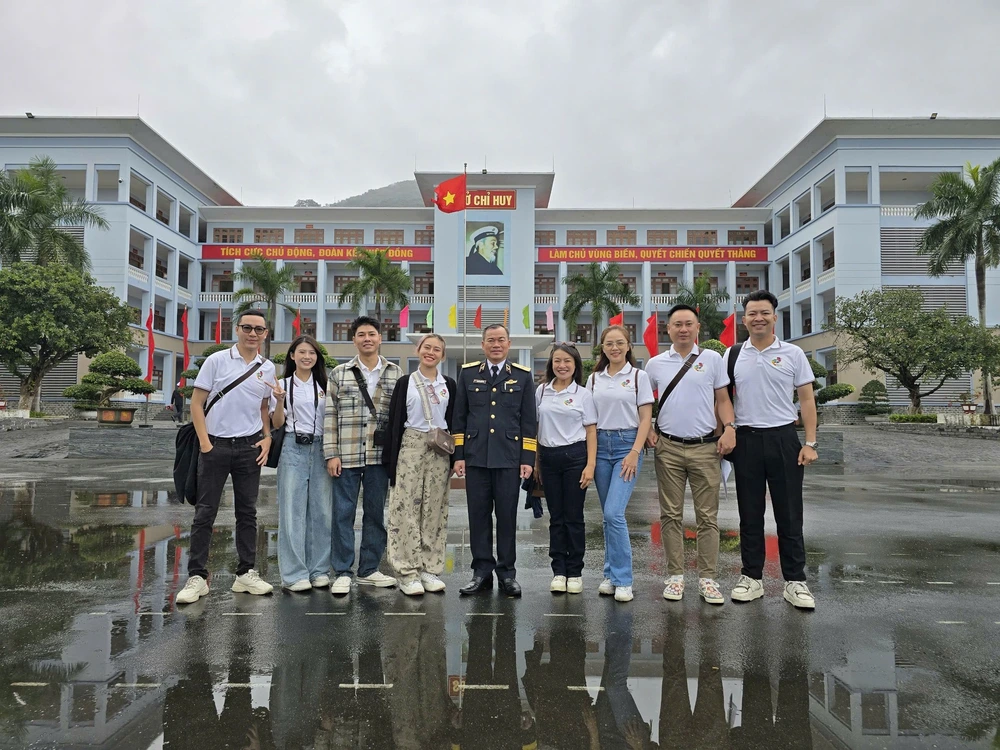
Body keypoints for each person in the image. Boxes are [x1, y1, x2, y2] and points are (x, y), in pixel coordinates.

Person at [723, 289, 818, 610]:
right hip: (746, 441)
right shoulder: (733, 355)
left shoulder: (793, 354)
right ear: (744, 319)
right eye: (752, 313)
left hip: (783, 440)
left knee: (789, 514)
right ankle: (752, 578)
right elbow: (722, 399)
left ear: (775, 317)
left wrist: (810, 442)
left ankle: (795, 581)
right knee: (750, 515)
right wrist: (728, 429)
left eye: (764, 313)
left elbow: (806, 399)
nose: (758, 318)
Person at [176, 309, 276, 605]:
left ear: (266, 334)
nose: (253, 333)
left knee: (247, 512)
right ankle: (197, 577)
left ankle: (245, 573)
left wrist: (267, 437)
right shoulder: (216, 360)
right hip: (215, 445)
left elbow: (263, 408)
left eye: (259, 329)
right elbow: (196, 404)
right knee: (205, 512)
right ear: (237, 329)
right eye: (247, 327)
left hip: (249, 448)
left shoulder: (267, 368)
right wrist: (206, 445)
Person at [645, 304, 736, 606]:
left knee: (707, 517)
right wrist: (648, 431)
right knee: (670, 515)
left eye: (688, 324)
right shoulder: (655, 364)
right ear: (668, 329)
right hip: (667, 448)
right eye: (677, 324)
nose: (683, 329)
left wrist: (730, 428)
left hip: (706, 447)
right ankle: (675, 576)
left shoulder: (712, 359)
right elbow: (644, 406)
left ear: (698, 328)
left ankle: (708, 579)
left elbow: (723, 399)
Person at [452, 323, 537, 597]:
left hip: (509, 458)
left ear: (509, 344)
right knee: (478, 516)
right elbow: (459, 418)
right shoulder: (467, 374)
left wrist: (528, 458)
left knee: (507, 517)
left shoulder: (523, 377)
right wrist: (459, 455)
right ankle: (481, 573)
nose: (496, 344)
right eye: (491, 340)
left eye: (501, 340)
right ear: (483, 344)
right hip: (476, 457)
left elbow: (528, 421)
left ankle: (507, 574)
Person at [324, 316, 402, 595]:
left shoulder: (395, 372)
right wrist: (331, 454)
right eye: (361, 334)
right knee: (342, 514)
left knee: (375, 515)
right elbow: (329, 415)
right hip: (346, 456)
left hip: (379, 458)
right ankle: (343, 571)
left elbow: (400, 419)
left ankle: (369, 569)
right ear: (354, 339)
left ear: (380, 338)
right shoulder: (339, 373)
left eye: (372, 334)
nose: (367, 338)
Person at [382, 333, 457, 596]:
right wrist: (390, 462)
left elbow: (454, 421)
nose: (431, 352)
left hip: (439, 448)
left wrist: (456, 459)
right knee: (405, 507)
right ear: (418, 350)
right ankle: (407, 571)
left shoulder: (449, 384)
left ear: (443, 355)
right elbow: (394, 422)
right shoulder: (406, 383)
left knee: (434, 508)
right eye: (427, 347)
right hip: (411, 444)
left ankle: (429, 567)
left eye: (437, 349)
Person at [588, 325, 653, 603]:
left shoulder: (639, 377)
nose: (614, 348)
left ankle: (624, 579)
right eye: (609, 344)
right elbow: (589, 421)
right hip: (600, 446)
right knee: (607, 515)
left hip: (627, 445)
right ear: (602, 348)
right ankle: (610, 574)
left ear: (629, 346)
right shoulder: (593, 380)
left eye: (620, 343)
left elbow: (646, 418)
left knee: (615, 512)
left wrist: (635, 452)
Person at [270, 335, 333, 592]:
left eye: (312, 353)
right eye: (302, 352)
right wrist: (279, 400)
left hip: (321, 448)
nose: (307, 357)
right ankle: (295, 574)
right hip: (292, 447)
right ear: (292, 355)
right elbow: (276, 424)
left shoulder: (325, 386)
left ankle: (319, 570)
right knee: (292, 511)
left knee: (322, 511)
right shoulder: (282, 385)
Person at [535, 343, 597, 594]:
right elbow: (536, 429)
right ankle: (558, 570)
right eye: (557, 361)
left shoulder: (583, 394)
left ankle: (575, 571)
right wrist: (537, 462)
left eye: (567, 361)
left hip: (575, 457)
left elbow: (591, 430)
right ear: (551, 364)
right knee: (556, 517)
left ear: (575, 366)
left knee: (574, 517)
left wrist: (590, 465)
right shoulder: (541, 392)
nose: (562, 365)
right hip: (548, 459)